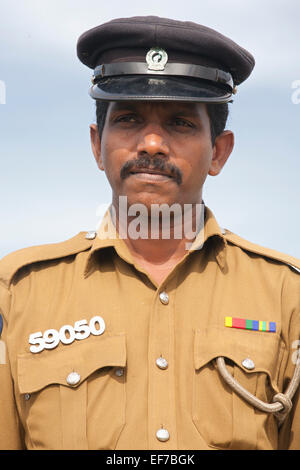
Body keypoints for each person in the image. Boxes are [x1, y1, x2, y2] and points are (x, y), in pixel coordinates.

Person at [0, 16, 299, 451]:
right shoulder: (18, 290)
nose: (153, 144)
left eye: (180, 123)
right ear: (96, 145)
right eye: (128, 119)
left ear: (219, 151)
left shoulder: (286, 294)